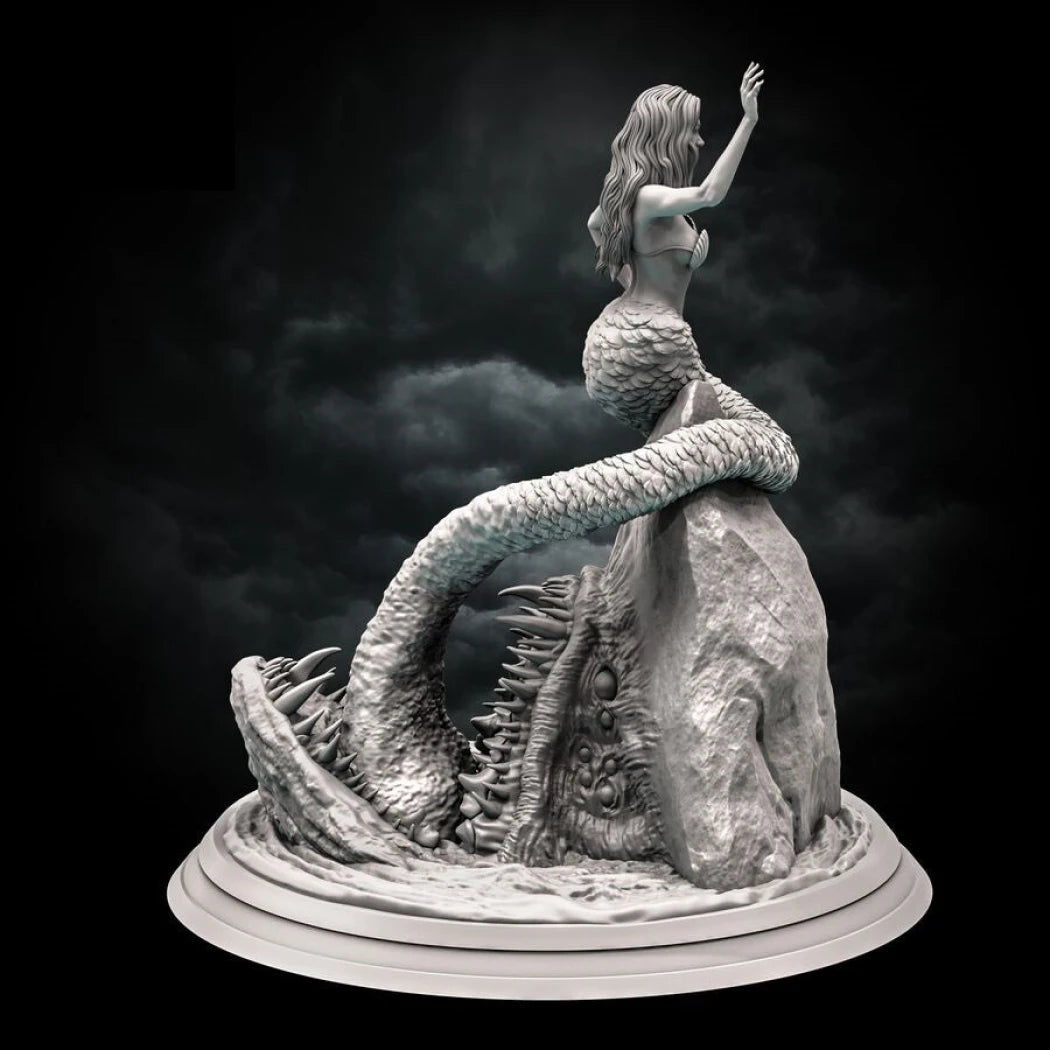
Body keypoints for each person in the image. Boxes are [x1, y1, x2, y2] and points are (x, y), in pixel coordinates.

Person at [583, 65, 766, 435]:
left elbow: (594, 224)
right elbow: (709, 194)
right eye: (693, 131)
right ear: (669, 135)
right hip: (651, 344)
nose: (699, 142)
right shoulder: (649, 197)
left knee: (711, 431)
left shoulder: (636, 197)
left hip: (630, 332)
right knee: (730, 432)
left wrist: (635, 277)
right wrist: (748, 121)